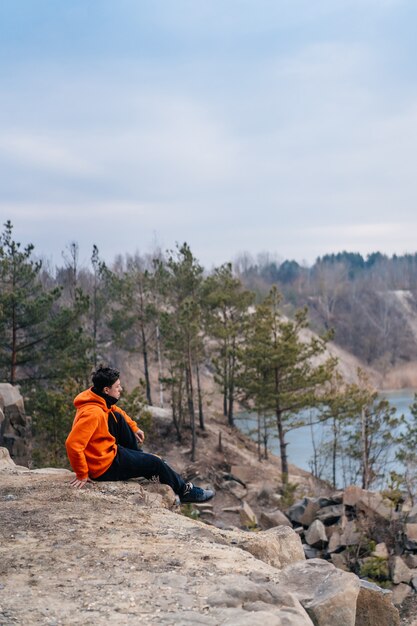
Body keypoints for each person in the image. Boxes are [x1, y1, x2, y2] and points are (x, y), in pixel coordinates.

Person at [65, 366, 214, 503]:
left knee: (119, 419)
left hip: (106, 451)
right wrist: (82, 474)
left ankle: (140, 460)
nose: (121, 389)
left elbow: (117, 411)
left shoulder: (97, 399)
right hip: (104, 466)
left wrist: (134, 427)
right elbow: (72, 444)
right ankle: (185, 492)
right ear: (106, 390)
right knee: (155, 463)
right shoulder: (93, 413)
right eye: (117, 387)